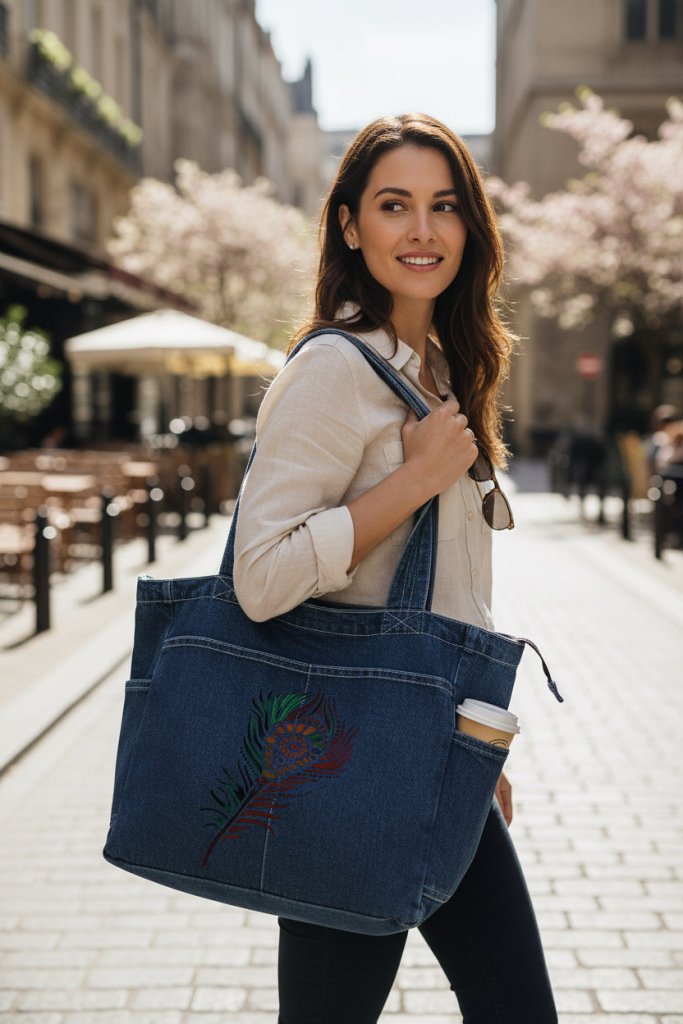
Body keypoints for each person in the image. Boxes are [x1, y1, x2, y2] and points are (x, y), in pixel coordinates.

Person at [233, 113, 557, 1024]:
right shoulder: (336, 371)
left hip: (434, 755)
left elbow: (452, 586)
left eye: (444, 206)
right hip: (352, 764)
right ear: (349, 225)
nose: (422, 231)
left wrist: (476, 738)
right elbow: (259, 575)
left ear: (470, 227)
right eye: (393, 205)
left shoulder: (437, 370)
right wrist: (413, 481)